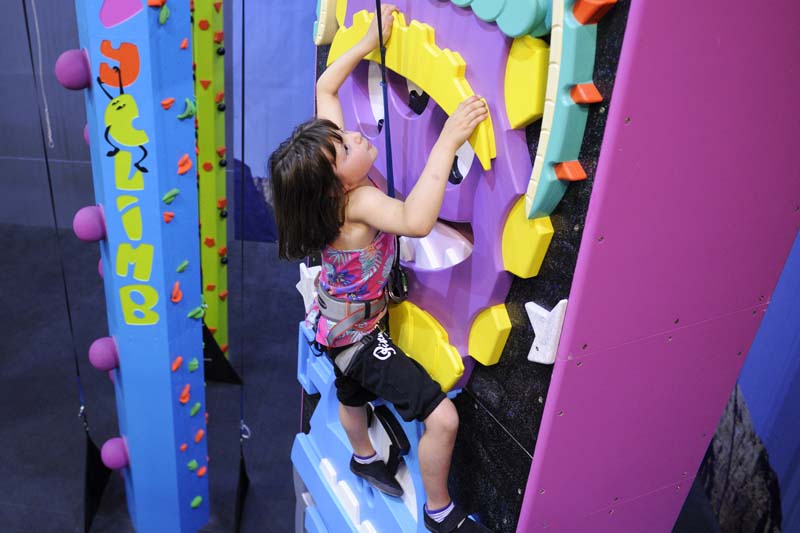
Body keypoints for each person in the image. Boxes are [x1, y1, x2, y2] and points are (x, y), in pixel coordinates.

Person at [269, 5, 490, 532]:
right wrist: (448, 139)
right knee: (443, 417)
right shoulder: (356, 209)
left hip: (333, 322)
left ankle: (364, 455)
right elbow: (415, 219)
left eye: (341, 137)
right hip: (358, 338)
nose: (355, 137)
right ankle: (440, 512)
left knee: (350, 391)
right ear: (336, 185)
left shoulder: (334, 190)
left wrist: (368, 39)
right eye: (345, 147)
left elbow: (326, 87)